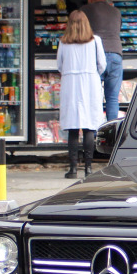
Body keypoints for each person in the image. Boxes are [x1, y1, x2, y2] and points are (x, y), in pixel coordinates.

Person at [56, 9, 106, 178]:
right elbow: (102, 64)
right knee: (89, 126)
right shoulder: (95, 41)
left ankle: (72, 168)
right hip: (90, 83)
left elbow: (59, 65)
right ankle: (89, 167)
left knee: (72, 127)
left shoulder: (63, 42)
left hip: (71, 84)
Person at [80, 0, 124, 122]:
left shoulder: (85, 10)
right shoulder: (116, 12)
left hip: (95, 55)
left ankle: (94, 133)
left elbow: (79, 32)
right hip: (116, 54)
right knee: (112, 98)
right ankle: (112, 133)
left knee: (94, 97)